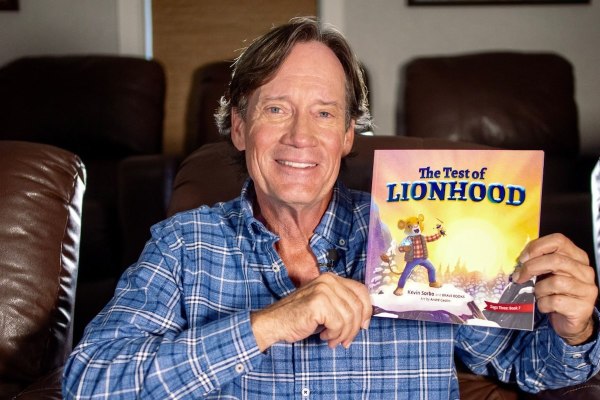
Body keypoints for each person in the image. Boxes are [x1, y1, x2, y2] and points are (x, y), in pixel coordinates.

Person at [63, 17, 600, 399]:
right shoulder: (183, 245)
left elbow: (532, 369)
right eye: (277, 109)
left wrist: (575, 330)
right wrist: (268, 325)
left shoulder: (410, 226)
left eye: (323, 114)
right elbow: (89, 381)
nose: (301, 136)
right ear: (240, 128)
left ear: (347, 136)